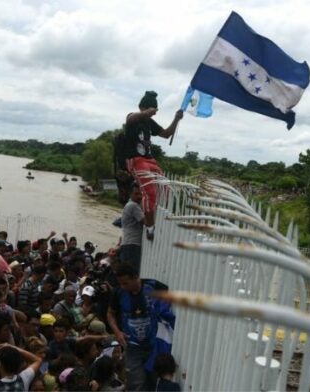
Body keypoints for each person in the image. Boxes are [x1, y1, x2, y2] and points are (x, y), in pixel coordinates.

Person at [123, 91, 183, 240]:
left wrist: (176, 119)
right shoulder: (133, 117)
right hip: (136, 159)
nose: (154, 114)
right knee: (149, 192)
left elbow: (166, 134)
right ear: (144, 107)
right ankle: (149, 227)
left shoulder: (149, 122)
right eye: (153, 110)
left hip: (150, 160)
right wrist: (147, 112)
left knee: (165, 190)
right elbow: (132, 118)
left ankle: (158, 219)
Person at [107, 263, 174, 391]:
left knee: (154, 380)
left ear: (136, 277)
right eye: (120, 283)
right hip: (132, 346)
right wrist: (118, 332)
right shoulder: (118, 293)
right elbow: (110, 313)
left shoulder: (153, 286)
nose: (122, 286)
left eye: (125, 283)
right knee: (135, 382)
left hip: (154, 345)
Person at [120, 182, 144, 273]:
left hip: (128, 244)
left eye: (141, 194)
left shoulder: (131, 205)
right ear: (131, 194)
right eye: (136, 194)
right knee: (132, 274)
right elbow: (146, 222)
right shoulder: (133, 206)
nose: (139, 196)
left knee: (128, 274)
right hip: (132, 246)